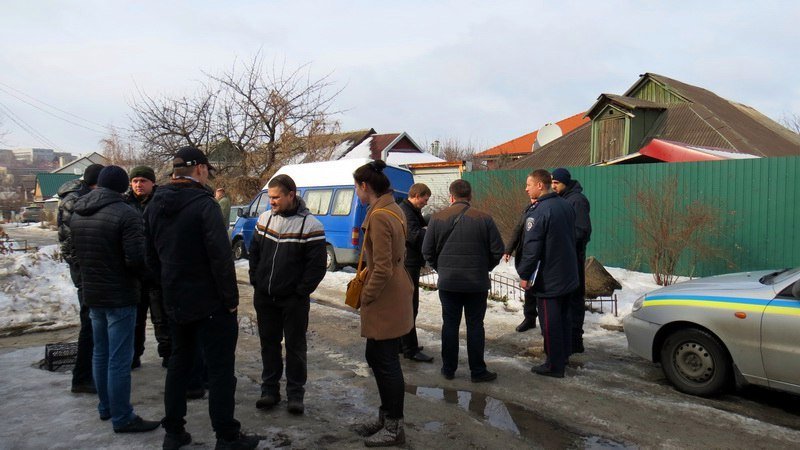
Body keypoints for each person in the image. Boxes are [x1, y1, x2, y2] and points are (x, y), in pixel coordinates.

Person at [145, 146, 260, 450]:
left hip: (176, 300)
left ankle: (174, 432)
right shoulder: (204, 205)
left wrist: (167, 285)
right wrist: (230, 300)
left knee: (180, 363)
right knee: (221, 370)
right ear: (198, 169)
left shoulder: (154, 204)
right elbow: (220, 258)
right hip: (210, 303)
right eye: (207, 168)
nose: (208, 173)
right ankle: (227, 435)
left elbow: (150, 256)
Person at [70, 165, 161, 433]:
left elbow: (74, 254)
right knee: (120, 359)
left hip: (92, 294)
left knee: (100, 353)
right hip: (120, 294)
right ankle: (122, 417)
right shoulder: (126, 213)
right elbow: (135, 259)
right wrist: (150, 277)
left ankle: (105, 407)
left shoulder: (78, 211)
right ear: (123, 185)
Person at [248, 174, 327, 415]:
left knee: (295, 347)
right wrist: (257, 281)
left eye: (276, 197)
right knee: (268, 345)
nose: (271, 202)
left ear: (291, 195)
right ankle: (269, 391)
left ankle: (295, 395)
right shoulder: (264, 219)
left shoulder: (311, 225)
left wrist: (299, 292)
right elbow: (255, 254)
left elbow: (316, 267)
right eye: (269, 197)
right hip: (265, 297)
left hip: (293, 301)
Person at [350, 160, 413, 448]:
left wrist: (367, 296)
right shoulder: (393, 208)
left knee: (386, 362)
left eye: (356, 187)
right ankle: (385, 418)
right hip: (395, 289)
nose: (356, 192)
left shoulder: (379, 216)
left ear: (365, 186)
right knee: (377, 356)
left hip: (385, 295)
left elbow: (383, 266)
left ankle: (394, 427)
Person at [422, 179, 504, 383]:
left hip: (449, 282)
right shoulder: (484, 218)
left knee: (450, 324)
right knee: (475, 325)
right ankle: (477, 371)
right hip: (476, 283)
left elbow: (427, 250)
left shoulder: (437, 218)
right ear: (470, 196)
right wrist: (485, 267)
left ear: (451, 196)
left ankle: (449, 369)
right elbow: (497, 250)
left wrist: (441, 268)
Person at [516, 169, 579, 378]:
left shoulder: (539, 212)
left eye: (528, 184)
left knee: (550, 324)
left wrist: (524, 275)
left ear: (540, 186)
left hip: (549, 278)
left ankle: (554, 365)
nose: (526, 188)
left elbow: (531, 247)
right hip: (567, 274)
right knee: (563, 319)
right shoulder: (566, 205)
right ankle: (563, 356)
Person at [57, 162, 104, 394]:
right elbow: (70, 242)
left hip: (86, 269)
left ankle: (88, 374)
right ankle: (83, 377)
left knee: (92, 321)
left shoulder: (76, 197)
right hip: (86, 271)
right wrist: (86, 268)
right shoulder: (77, 201)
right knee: (90, 322)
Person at [125, 166, 171, 369]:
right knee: (135, 320)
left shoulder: (162, 203)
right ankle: (134, 354)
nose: (138, 185)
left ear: (152, 183)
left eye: (143, 180)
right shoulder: (125, 204)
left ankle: (168, 354)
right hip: (134, 274)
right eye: (135, 181)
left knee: (162, 318)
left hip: (157, 272)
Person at [551, 168, 592, 354]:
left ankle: (576, 340)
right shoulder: (564, 199)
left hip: (574, 257)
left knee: (575, 299)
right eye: (551, 182)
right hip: (565, 258)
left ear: (565, 183)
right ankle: (569, 338)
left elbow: (581, 230)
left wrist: (561, 242)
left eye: (556, 183)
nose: (553, 186)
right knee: (567, 300)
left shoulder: (577, 201)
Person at [398, 183, 434, 363]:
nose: (426, 203)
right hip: (408, 263)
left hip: (409, 262)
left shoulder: (410, 210)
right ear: (417, 195)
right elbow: (413, 235)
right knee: (410, 306)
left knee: (407, 306)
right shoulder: (406, 211)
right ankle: (410, 349)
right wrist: (428, 232)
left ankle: (402, 343)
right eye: (425, 199)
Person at [503, 197, 539, 333]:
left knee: (540, 289)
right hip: (526, 254)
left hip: (540, 257)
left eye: (530, 186)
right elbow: (518, 229)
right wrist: (509, 249)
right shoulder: (529, 208)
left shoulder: (547, 209)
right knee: (529, 287)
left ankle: (547, 323)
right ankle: (529, 318)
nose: (527, 191)